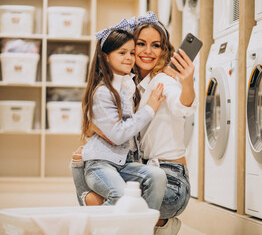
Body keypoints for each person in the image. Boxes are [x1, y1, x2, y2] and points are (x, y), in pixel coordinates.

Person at [72, 12, 197, 235]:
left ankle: (159, 223)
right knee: (88, 163)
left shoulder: (163, 80)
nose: (148, 51)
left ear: (163, 50)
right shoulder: (127, 85)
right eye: (141, 44)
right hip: (144, 168)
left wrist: (187, 83)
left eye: (156, 45)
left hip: (172, 182)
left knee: (103, 200)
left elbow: (182, 106)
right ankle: (156, 224)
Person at [76, 19, 168, 210]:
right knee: (119, 195)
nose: (130, 57)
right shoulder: (102, 92)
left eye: (132, 53)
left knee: (158, 176)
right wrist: (149, 109)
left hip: (124, 163)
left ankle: (142, 228)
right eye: (122, 53)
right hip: (100, 164)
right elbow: (118, 135)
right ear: (106, 57)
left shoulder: (127, 85)